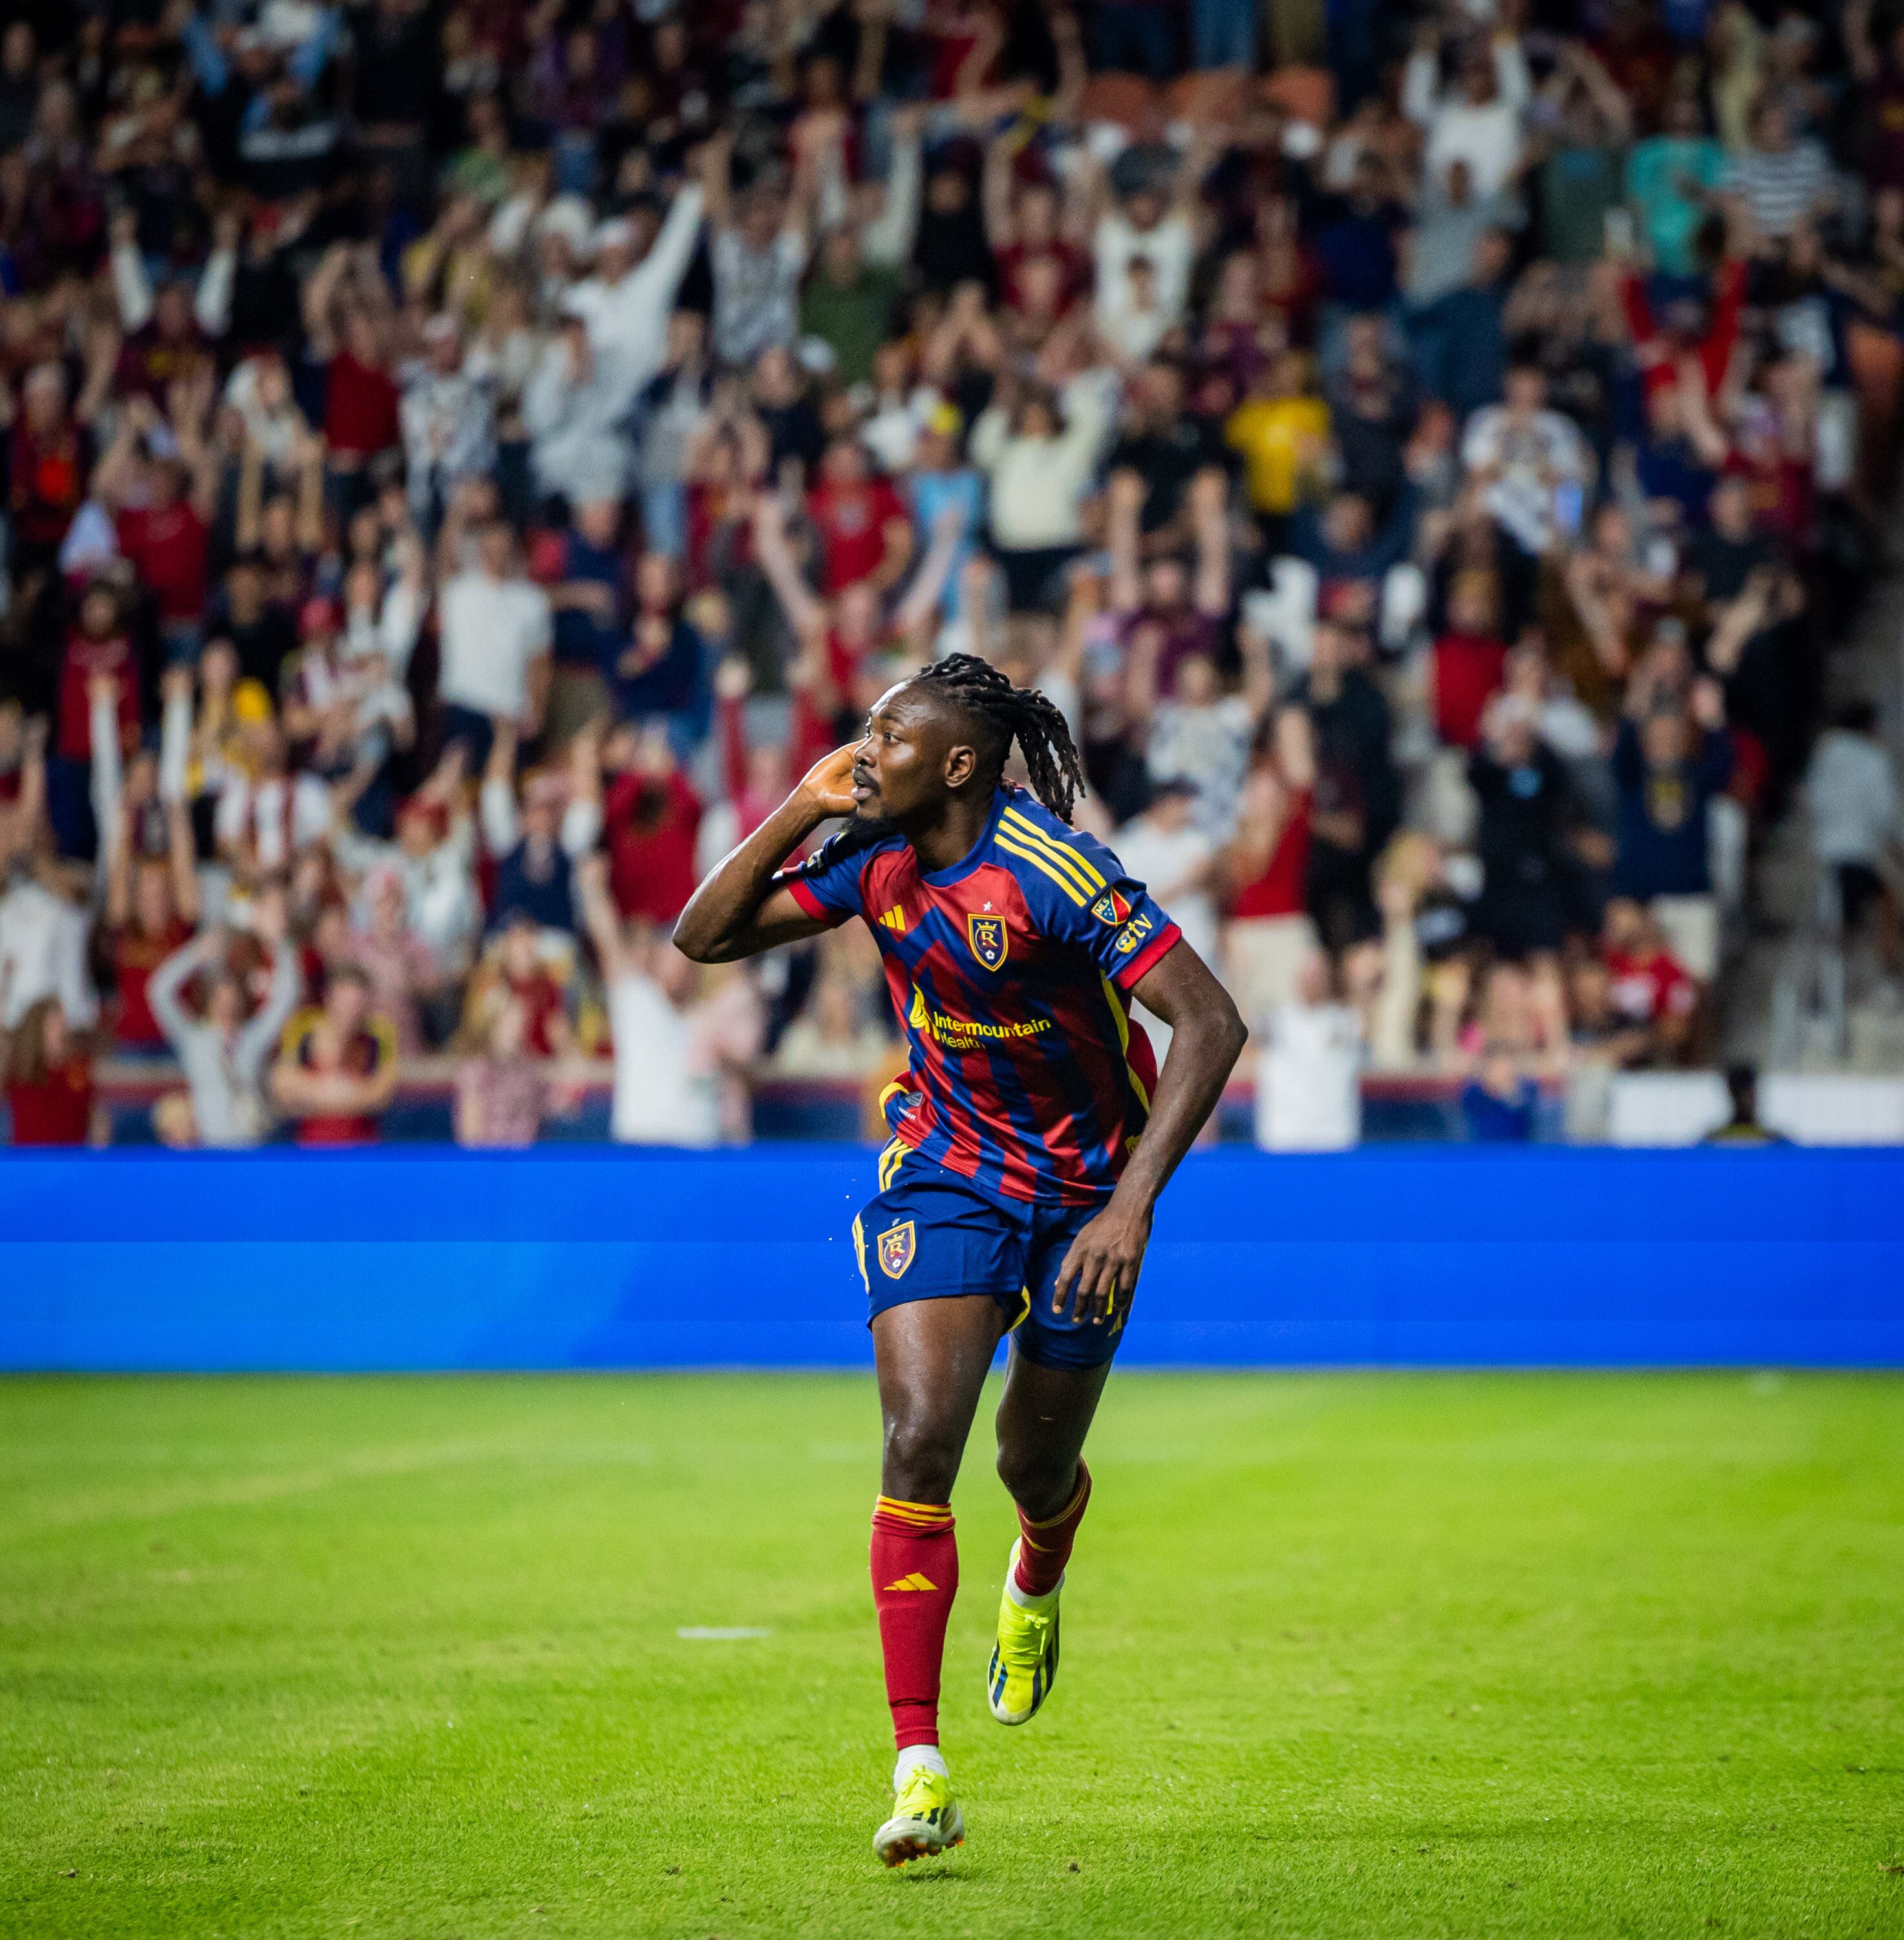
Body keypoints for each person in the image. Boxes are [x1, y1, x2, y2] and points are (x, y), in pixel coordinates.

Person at [673, 653, 1246, 1866]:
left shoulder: (1053, 873)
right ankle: (919, 1767)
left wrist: (1130, 1205)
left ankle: (1041, 1559)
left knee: (1031, 1461)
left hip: (1089, 1189)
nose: (863, 747)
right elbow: (702, 936)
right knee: (918, 1438)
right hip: (944, 1168)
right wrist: (798, 805)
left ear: (959, 764)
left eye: (885, 735)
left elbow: (1209, 1021)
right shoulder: (870, 855)